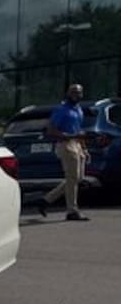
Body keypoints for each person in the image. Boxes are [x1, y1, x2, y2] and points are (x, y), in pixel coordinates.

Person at [36, 83, 90, 221]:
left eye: (79, 92)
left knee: (76, 179)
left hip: (77, 144)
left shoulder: (78, 110)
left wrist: (84, 148)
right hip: (65, 144)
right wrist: (71, 137)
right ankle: (72, 211)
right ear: (68, 93)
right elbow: (51, 130)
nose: (76, 95)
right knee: (72, 179)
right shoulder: (62, 110)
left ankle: (46, 200)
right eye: (73, 92)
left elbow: (79, 130)